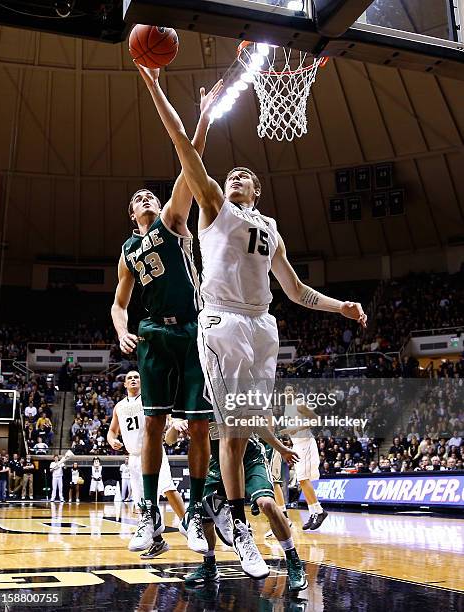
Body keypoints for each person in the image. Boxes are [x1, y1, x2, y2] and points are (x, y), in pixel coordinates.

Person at [137, 64, 367, 577]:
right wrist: (156, 86)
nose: (237, 175)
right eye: (233, 172)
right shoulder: (215, 204)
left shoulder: (271, 229)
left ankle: (233, 516)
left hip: (264, 326)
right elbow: (182, 144)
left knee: (244, 426)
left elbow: (295, 290)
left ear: (258, 191)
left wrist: (341, 307)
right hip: (221, 322)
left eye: (247, 175)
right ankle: (238, 526)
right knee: (232, 430)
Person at [110, 79, 222, 555]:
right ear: (130, 212)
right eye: (137, 199)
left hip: (194, 328)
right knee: (153, 423)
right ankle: (150, 519)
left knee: (198, 426)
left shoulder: (172, 221)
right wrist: (121, 331)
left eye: (148, 196)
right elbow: (119, 302)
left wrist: (203, 118)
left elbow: (188, 163)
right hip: (153, 334)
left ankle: (195, 513)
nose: (145, 199)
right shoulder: (128, 251)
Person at [166, 420, 306, 589]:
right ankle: (209, 565)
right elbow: (169, 440)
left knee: (267, 503)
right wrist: (175, 426)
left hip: (250, 458)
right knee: (203, 518)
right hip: (218, 465)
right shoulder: (196, 405)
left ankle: (293, 560)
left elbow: (257, 424)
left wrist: (281, 448)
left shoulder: (231, 398)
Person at [107, 370, 185, 559]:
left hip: (153, 451)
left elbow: (166, 419)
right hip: (133, 457)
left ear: (141, 382)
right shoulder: (119, 406)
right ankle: (158, 543)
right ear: (125, 384)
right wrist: (112, 441)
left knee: (168, 489)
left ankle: (189, 523)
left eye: (136, 377)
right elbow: (111, 431)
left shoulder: (149, 399)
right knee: (143, 504)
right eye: (129, 378)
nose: (133, 379)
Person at [279, 384, 328, 530]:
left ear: (294, 393)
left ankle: (319, 511)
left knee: (303, 479)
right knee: (302, 481)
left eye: (290, 390)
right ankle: (313, 512)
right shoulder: (287, 408)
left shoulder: (299, 404)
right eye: (285, 390)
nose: (288, 392)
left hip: (306, 443)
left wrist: (295, 429)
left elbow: (317, 420)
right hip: (297, 445)